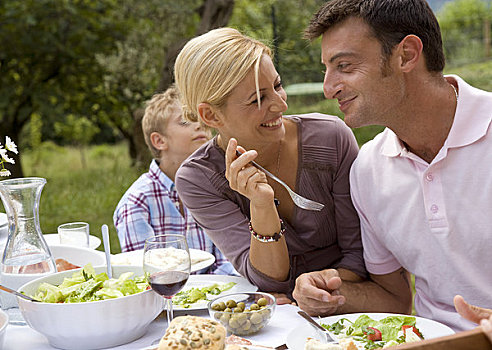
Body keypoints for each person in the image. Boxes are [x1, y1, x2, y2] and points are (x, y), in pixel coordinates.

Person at [292, 0, 492, 331]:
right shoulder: (368, 170)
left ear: (407, 55)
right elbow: (394, 300)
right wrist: (329, 290)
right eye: (327, 70)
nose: (329, 88)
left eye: (345, 66)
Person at [173, 27, 367, 297]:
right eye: (258, 99)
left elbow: (359, 254)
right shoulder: (198, 178)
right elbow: (269, 280)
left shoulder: (331, 139)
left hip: (352, 303)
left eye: (277, 86)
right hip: (278, 321)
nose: (280, 105)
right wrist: (261, 205)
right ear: (211, 116)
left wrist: (316, 290)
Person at [113, 86, 236, 275]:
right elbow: (143, 273)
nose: (200, 125)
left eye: (201, 118)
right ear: (159, 141)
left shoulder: (218, 187)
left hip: (219, 297)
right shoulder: (137, 202)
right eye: (186, 121)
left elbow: (229, 260)